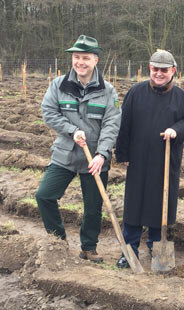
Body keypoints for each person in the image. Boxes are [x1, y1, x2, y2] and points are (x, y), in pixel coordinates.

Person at [36, 35, 121, 263]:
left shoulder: (107, 91)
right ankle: (58, 242)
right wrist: (72, 130)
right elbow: (49, 113)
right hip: (65, 153)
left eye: (85, 57)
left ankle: (88, 248)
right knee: (44, 195)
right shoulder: (58, 85)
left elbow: (112, 124)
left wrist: (102, 154)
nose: (80, 62)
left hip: (94, 158)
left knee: (93, 207)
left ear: (95, 60)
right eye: (76, 57)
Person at [115, 49, 184, 268]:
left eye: (164, 70)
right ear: (149, 69)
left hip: (165, 161)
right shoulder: (135, 92)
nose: (159, 73)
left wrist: (176, 130)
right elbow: (125, 125)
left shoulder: (182, 98)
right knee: (134, 205)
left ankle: (155, 246)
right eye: (155, 69)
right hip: (138, 159)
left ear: (173, 71)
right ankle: (129, 250)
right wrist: (122, 153)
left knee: (158, 204)